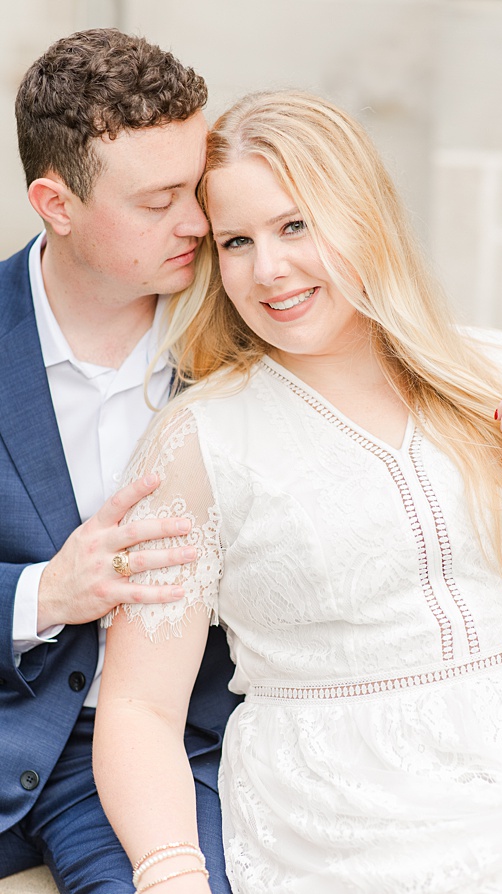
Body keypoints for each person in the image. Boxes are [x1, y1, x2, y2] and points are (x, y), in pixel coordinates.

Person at [92, 90, 502, 893]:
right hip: (348, 817)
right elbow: (138, 709)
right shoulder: (202, 441)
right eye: (237, 241)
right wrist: (170, 875)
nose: (270, 270)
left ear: (363, 215)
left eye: (296, 225)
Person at [0, 30, 240, 893]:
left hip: (174, 750)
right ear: (55, 204)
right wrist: (44, 594)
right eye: (158, 201)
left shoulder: (249, 336)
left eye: (197, 187)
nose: (198, 224)